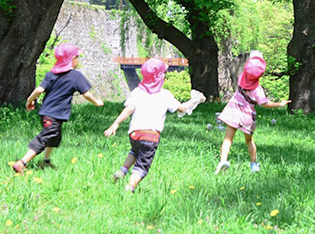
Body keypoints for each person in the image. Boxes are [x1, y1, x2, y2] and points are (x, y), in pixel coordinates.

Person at [104, 58, 203, 192]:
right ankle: (130, 187)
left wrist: (115, 124)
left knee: (135, 151)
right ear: (159, 77)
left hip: (134, 134)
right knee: (142, 166)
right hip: (150, 136)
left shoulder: (137, 92)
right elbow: (181, 109)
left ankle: (123, 170)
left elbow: (129, 109)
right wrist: (194, 101)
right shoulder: (165, 95)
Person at [12, 43, 103, 173]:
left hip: (47, 112)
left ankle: (46, 161)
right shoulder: (76, 76)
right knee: (45, 137)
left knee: (55, 137)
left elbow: (39, 89)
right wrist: (96, 102)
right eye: (77, 57)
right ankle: (22, 162)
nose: (78, 59)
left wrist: (29, 100)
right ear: (72, 59)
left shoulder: (51, 74)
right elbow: (86, 93)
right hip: (54, 114)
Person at [215, 51, 290, 174]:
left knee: (228, 139)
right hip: (247, 116)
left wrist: (254, 58)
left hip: (234, 111)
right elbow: (265, 104)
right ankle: (254, 164)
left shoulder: (241, 78)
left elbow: (250, 68)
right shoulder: (258, 90)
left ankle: (223, 160)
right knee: (249, 140)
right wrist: (279, 104)